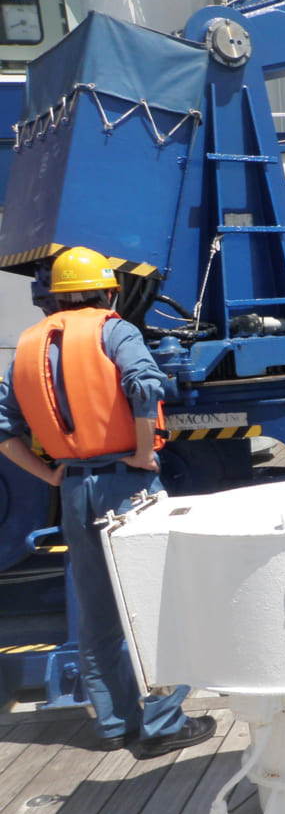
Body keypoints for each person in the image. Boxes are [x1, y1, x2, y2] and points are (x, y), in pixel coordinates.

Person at [0, 247, 216, 757]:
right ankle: (163, 723)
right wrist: (142, 453)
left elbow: (4, 427)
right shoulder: (114, 331)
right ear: (108, 292)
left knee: (97, 614)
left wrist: (49, 475)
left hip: (74, 489)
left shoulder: (27, 346)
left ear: (53, 298)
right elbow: (145, 386)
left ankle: (116, 723)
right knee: (161, 601)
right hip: (126, 485)